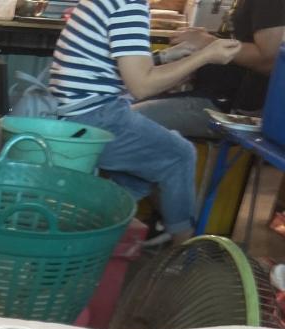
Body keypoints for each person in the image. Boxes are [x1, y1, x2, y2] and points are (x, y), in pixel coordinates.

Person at [49, 0, 240, 242]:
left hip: (75, 115)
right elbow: (142, 85)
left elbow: (119, 65)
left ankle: (94, 231)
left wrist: (164, 57)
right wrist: (206, 55)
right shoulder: (130, 6)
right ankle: (185, 251)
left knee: (139, 179)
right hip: (95, 117)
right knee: (179, 156)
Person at [135, 0, 285, 138]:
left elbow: (270, 60)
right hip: (209, 93)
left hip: (228, 109)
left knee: (127, 122)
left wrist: (207, 42)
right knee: (127, 108)